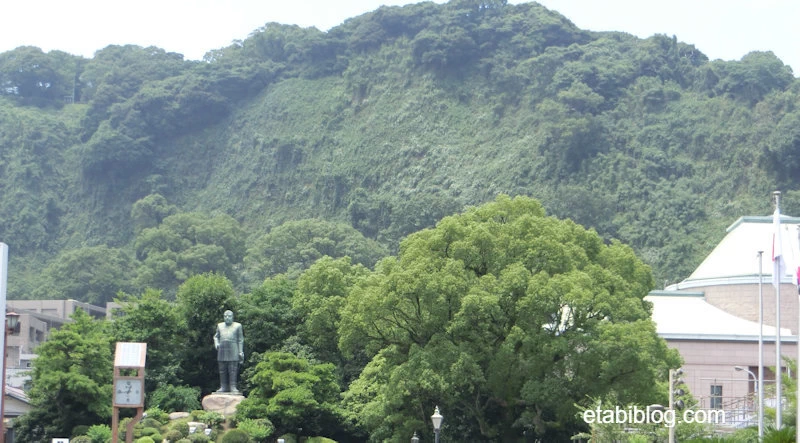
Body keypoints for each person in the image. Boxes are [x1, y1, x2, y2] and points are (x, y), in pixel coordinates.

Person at [214, 310, 244, 394]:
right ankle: (223, 386)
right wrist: (216, 344)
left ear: (232, 317)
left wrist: (240, 351)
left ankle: (233, 386)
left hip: (233, 348)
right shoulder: (220, 326)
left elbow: (240, 339)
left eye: (229, 316)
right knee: (222, 369)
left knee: (233, 369)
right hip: (222, 349)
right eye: (225, 316)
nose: (227, 318)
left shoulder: (238, 326)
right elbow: (216, 337)